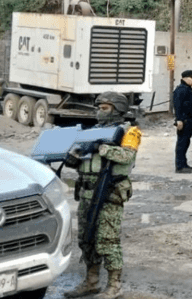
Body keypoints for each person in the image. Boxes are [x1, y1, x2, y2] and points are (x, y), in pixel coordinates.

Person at [63, 92, 141, 299]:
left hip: (109, 193)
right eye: (98, 107)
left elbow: (126, 156)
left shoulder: (129, 132)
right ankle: (91, 282)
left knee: (107, 241)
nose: (99, 111)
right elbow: (84, 160)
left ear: (118, 109)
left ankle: (115, 286)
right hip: (87, 192)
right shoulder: (91, 132)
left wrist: (101, 147)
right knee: (86, 239)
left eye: (104, 108)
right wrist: (74, 158)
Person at [173, 69, 192, 173]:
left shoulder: (188, 89)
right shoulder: (181, 90)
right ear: (185, 78)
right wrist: (179, 119)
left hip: (189, 118)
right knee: (182, 142)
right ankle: (180, 166)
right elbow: (178, 106)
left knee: (186, 142)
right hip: (184, 119)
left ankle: (184, 163)